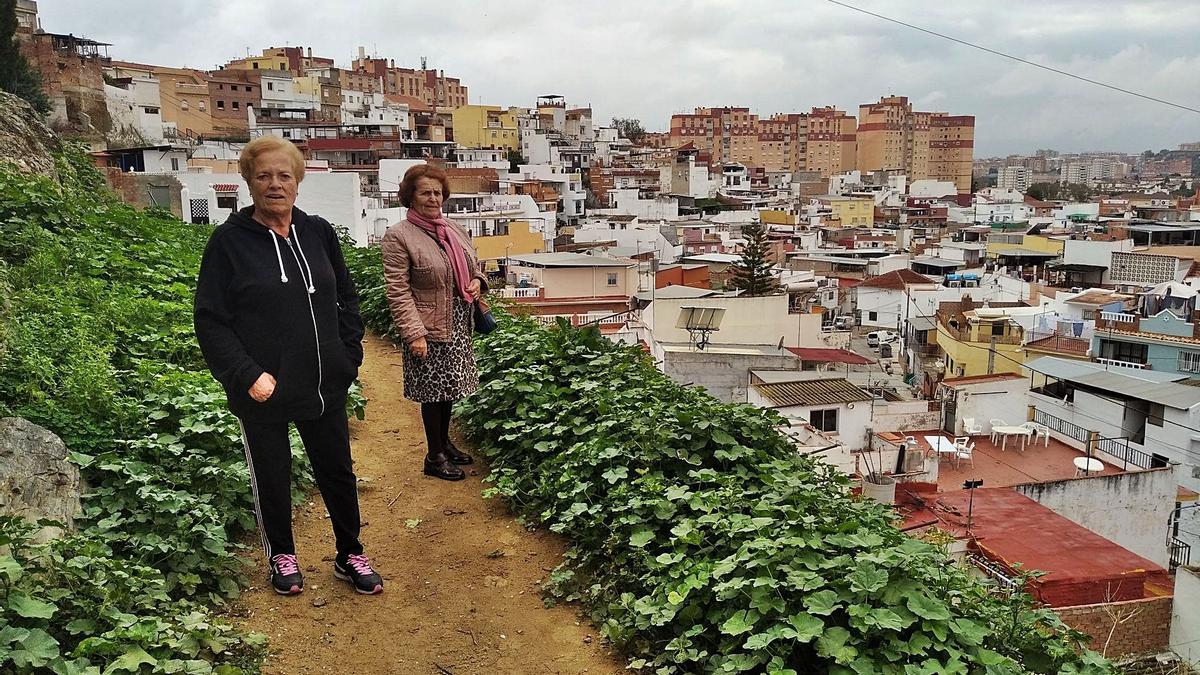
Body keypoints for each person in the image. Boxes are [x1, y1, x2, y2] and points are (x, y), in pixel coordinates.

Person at [194, 136, 383, 596]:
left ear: (297, 181)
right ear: (248, 182)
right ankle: (282, 554)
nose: (274, 184)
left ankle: (349, 552)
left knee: (337, 470)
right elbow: (211, 320)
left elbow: (346, 299)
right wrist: (246, 374)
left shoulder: (318, 232)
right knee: (273, 474)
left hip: (323, 383)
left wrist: (348, 355)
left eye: (284, 175)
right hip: (264, 388)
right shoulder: (229, 243)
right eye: (264, 176)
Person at [381, 164, 486, 482]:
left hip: (457, 320)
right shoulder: (399, 236)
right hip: (427, 325)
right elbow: (397, 290)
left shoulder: (453, 229)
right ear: (410, 196)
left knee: (450, 387)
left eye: (437, 192)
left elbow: (474, 263)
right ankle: (434, 456)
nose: (433, 198)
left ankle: (444, 442)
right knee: (432, 391)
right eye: (425, 192)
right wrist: (414, 333)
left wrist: (478, 281)